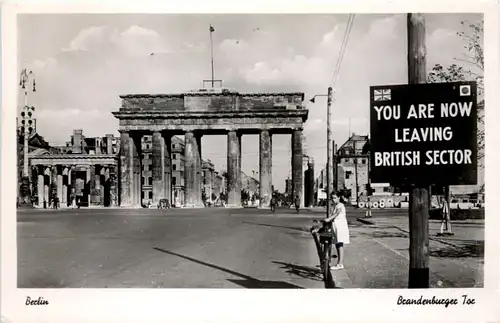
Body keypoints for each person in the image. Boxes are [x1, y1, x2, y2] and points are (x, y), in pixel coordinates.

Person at [323, 193, 350, 270]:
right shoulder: (335, 206)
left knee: (340, 244)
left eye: (335, 198)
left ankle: (340, 263)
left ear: (339, 197)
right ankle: (339, 262)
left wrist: (329, 219)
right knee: (338, 244)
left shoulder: (340, 205)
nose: (333, 200)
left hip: (340, 227)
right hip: (337, 227)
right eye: (332, 198)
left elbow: (336, 213)